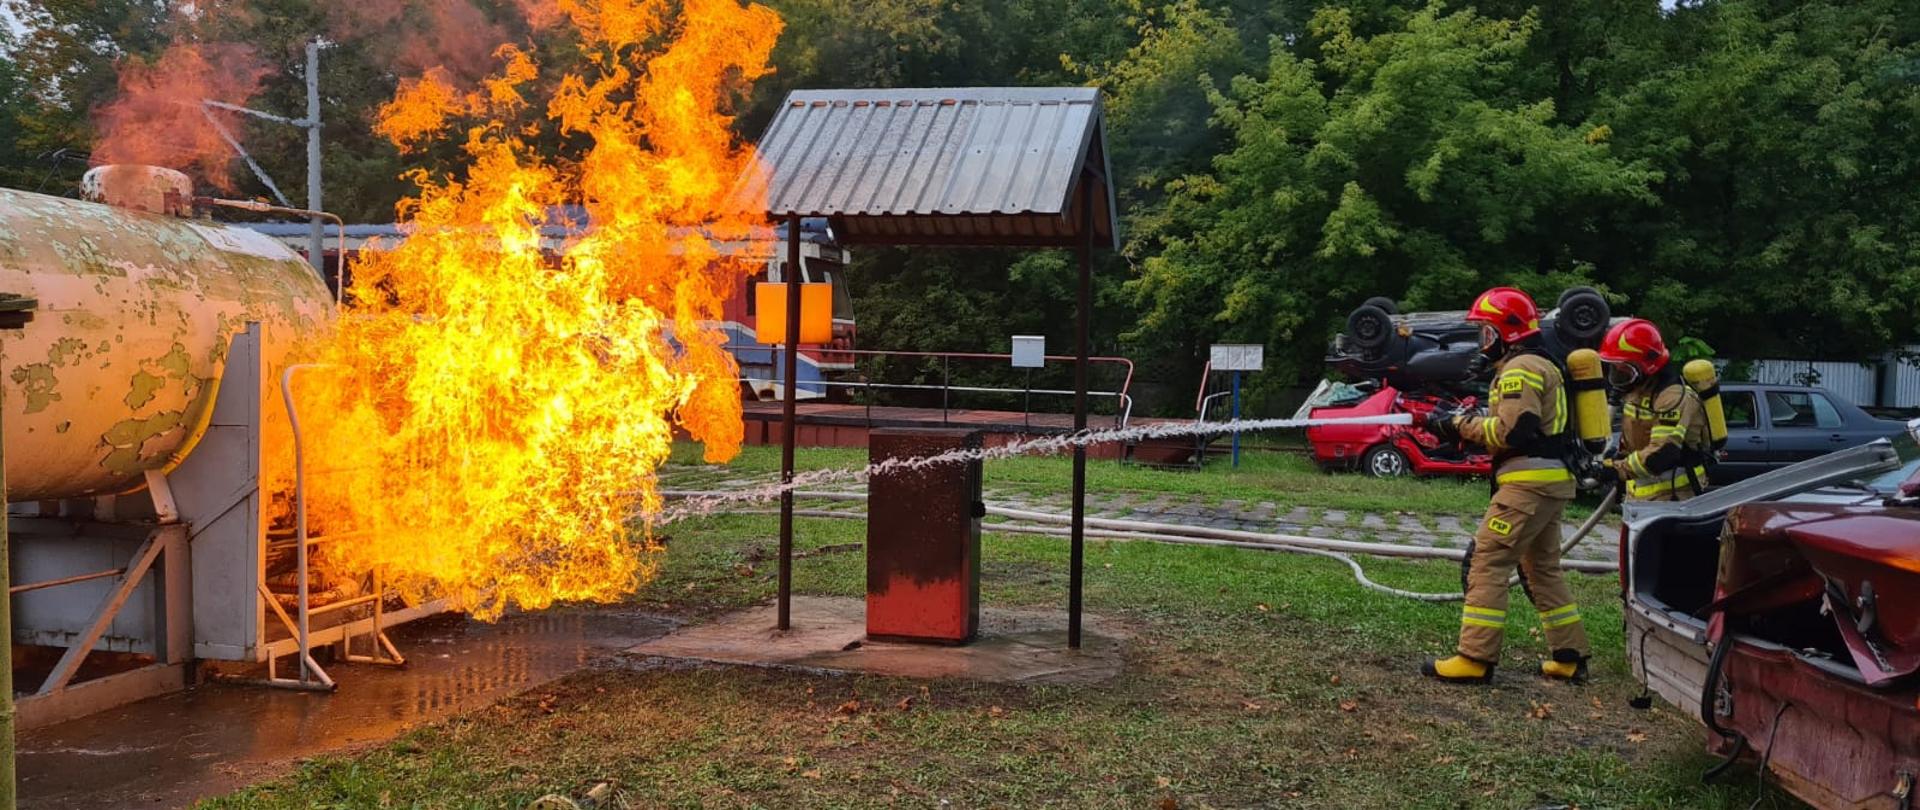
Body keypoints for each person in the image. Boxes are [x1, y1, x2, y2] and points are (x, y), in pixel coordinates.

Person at [1421, 287, 1589, 683]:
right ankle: (1570, 656)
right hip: (1549, 482)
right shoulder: (1540, 363)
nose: (1483, 341)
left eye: (1486, 332)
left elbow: (1514, 430)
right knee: (1541, 569)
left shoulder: (1520, 368)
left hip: (1527, 485)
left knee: (1487, 562)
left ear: (1506, 332)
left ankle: (1475, 658)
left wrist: (1458, 424)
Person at [1591, 318, 1711, 501]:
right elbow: (1634, 439)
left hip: (1674, 497)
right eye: (1614, 369)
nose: (1618, 376)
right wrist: (1617, 459)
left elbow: (1662, 455)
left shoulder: (1673, 397)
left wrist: (1618, 470)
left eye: (1625, 369)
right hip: (1640, 497)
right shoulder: (1639, 393)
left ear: (1647, 365)